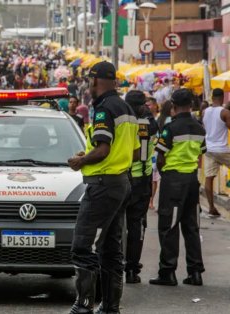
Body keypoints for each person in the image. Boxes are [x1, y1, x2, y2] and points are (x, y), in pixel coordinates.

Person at [67, 61, 139, 314]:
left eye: (89, 81)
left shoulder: (103, 108)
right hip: (121, 183)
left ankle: (83, 305)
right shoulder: (126, 107)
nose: (88, 85)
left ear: (95, 80)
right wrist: (89, 153)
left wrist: (81, 160)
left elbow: (104, 149)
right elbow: (134, 149)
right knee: (110, 248)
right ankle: (109, 307)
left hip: (102, 186)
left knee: (83, 246)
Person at [150, 88, 206, 287]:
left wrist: (166, 175)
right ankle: (195, 272)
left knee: (168, 227)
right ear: (191, 105)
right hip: (192, 180)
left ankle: (167, 272)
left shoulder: (170, 128)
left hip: (173, 180)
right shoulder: (200, 128)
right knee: (191, 227)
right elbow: (201, 153)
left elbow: (161, 157)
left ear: (173, 106)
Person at [123, 90, 158, 284]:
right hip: (142, 180)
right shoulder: (150, 124)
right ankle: (132, 269)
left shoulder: (123, 123)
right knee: (137, 225)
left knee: (117, 224)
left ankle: (114, 265)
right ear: (142, 106)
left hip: (124, 177)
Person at [202, 88, 230, 217]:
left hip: (208, 149)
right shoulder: (225, 112)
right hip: (222, 149)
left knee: (209, 178)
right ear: (223, 97)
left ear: (212, 97)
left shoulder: (205, 111)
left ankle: (211, 207)